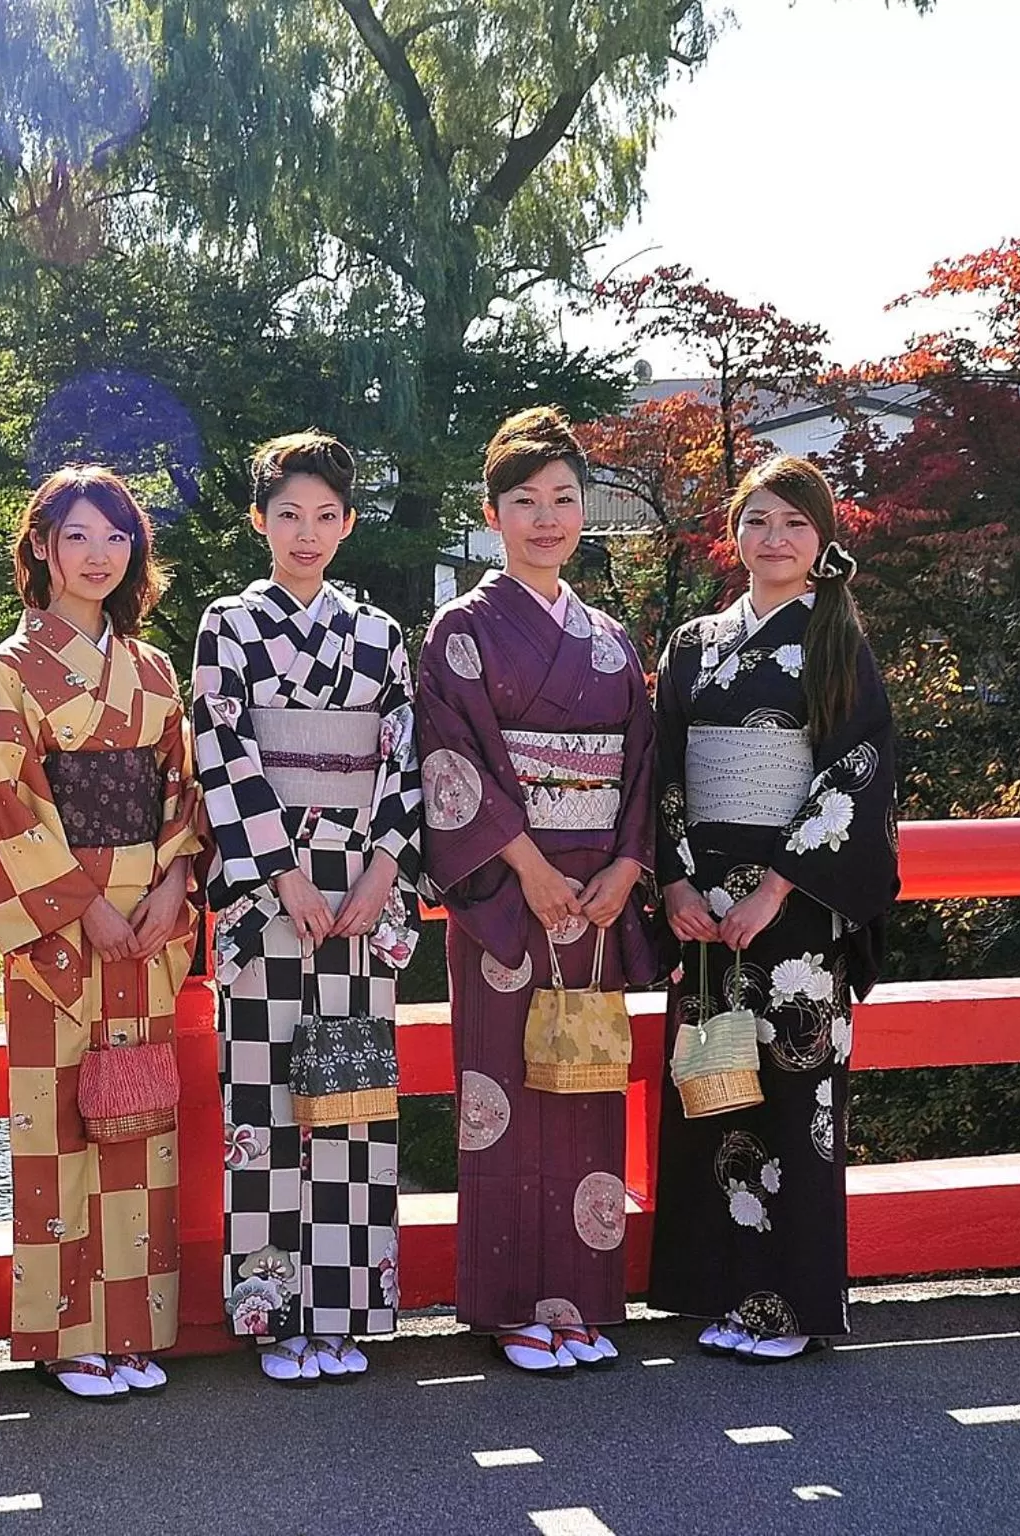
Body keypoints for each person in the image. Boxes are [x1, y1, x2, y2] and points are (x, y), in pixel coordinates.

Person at [0, 465, 202, 1400]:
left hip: (147, 920)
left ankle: (133, 1331)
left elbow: (184, 790)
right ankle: (67, 1338)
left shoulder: (154, 670)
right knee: (58, 1125)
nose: (99, 554)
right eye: (78, 537)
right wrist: (81, 904)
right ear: (43, 550)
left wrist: (174, 883)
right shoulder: (10, 671)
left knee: (139, 1118)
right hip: (63, 924)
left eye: (116, 536)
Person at [416, 406, 657, 1373]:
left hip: (595, 895)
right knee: (504, 1095)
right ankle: (516, 1305)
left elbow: (642, 767)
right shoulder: (461, 630)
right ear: (492, 514)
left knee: (586, 1086)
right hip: (510, 897)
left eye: (564, 499)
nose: (547, 518)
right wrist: (530, 866)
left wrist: (627, 868)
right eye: (526, 501)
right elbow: (451, 761)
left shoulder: (610, 640)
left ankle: (582, 1301)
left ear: (584, 511)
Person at [646, 453, 898, 1362]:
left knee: (794, 1098)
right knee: (712, 1092)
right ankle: (718, 1293)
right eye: (757, 519)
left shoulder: (835, 641)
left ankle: (789, 1305)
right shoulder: (693, 644)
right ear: (734, 534)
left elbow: (856, 773)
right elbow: (662, 770)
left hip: (795, 912)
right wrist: (675, 882)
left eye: (794, 522)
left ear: (821, 538)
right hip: (704, 907)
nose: (774, 537)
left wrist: (780, 885)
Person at [192, 430, 423, 1385]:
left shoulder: (381, 636)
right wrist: (283, 872)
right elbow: (221, 749)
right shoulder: (227, 627)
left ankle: (344, 1313)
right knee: (263, 1103)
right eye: (288, 514)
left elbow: (405, 758)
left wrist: (382, 871)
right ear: (259, 521)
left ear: (350, 524)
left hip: (359, 894)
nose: (307, 532)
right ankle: (271, 1313)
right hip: (267, 893)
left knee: (352, 1104)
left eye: (326, 516)